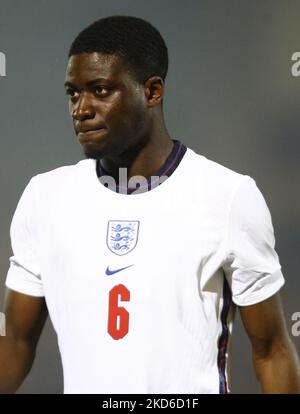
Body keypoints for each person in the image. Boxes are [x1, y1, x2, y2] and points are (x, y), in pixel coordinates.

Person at [0, 15, 299, 394]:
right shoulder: (45, 198)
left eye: (101, 90)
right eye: (73, 93)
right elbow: (14, 340)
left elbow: (272, 350)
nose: (81, 109)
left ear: (152, 91)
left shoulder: (228, 197)